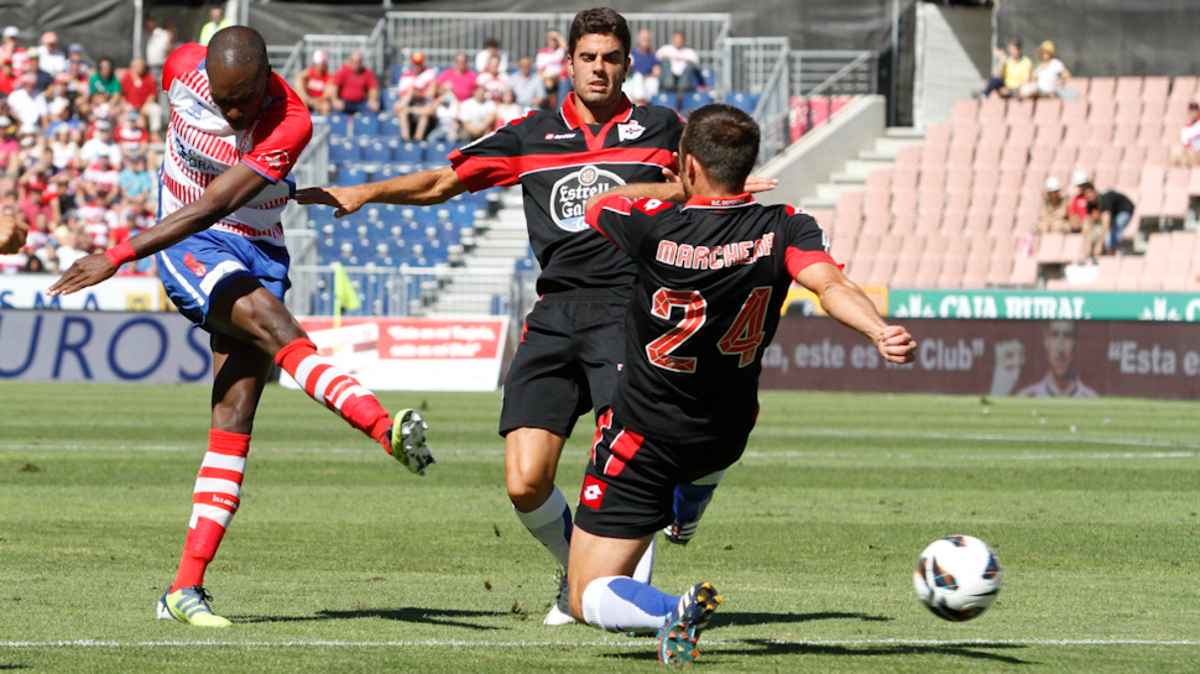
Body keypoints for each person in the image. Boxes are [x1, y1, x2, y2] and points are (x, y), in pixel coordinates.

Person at [297, 8, 776, 627]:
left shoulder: (663, 127)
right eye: (588, 57)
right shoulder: (529, 134)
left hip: (631, 311)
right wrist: (364, 193)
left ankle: (620, 595)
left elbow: (703, 183)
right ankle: (577, 574)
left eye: (610, 58)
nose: (599, 68)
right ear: (568, 62)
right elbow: (445, 181)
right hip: (553, 313)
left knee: (624, 463)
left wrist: (718, 194)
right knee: (525, 483)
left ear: (628, 64)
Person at [48, 26, 434, 628]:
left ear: (265, 80)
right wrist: (126, 253)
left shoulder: (292, 120)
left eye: (242, 101)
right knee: (274, 324)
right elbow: (198, 213)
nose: (231, 113)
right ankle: (383, 428)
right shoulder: (178, 70)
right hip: (191, 244)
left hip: (256, 245)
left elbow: (219, 200)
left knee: (233, 421)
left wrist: (115, 253)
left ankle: (183, 590)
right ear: (202, 71)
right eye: (222, 100)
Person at [568, 103, 917, 664]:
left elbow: (598, 204)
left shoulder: (656, 224)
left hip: (644, 433)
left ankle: (670, 610)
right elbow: (830, 285)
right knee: (710, 447)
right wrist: (878, 330)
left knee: (586, 593)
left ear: (688, 163)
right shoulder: (785, 227)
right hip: (724, 431)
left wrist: (678, 190)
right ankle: (693, 500)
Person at [1018, 320, 1097, 398]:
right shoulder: (1027, 398)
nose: (1060, 349)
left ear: (1075, 344)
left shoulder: (1091, 399)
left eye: (1067, 336)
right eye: (1054, 335)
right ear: (1046, 342)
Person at [393, 51, 437, 141]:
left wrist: (417, 93)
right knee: (400, 109)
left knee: (425, 113)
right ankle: (406, 140)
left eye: (419, 63)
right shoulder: (406, 76)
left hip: (424, 105)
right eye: (415, 63)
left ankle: (417, 140)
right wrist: (412, 92)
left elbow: (430, 94)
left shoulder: (429, 74)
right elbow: (402, 98)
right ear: (412, 63)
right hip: (410, 104)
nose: (417, 66)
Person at [1081, 182, 1135, 255]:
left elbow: (1106, 224)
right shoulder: (1090, 204)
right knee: (1094, 233)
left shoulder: (1104, 200)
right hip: (1114, 214)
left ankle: (1113, 253)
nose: (1088, 195)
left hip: (1125, 210)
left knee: (1114, 230)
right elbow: (1087, 223)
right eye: (1086, 194)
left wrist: (1099, 244)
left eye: (1090, 192)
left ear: (1094, 191)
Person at [332, 50, 380, 115]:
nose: (356, 64)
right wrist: (335, 100)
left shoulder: (367, 73)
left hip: (361, 102)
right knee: (336, 108)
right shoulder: (343, 71)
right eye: (354, 61)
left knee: (373, 108)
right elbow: (334, 87)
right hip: (345, 102)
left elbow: (373, 89)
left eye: (358, 62)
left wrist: (372, 100)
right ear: (350, 61)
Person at [656, 31, 701, 98]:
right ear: (673, 39)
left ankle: (681, 89)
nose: (678, 41)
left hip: (684, 79)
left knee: (689, 66)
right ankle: (669, 84)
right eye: (676, 39)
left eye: (680, 39)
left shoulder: (690, 52)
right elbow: (655, 60)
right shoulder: (665, 49)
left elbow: (696, 65)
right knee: (665, 62)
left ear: (683, 40)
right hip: (668, 77)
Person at [625, 28, 660, 105]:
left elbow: (657, 72)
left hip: (647, 83)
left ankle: (640, 105)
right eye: (643, 38)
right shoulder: (631, 55)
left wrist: (645, 77)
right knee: (637, 78)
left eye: (647, 39)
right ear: (638, 39)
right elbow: (626, 72)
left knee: (651, 82)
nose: (645, 41)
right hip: (632, 83)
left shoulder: (652, 56)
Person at [294, 50, 333, 115]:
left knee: (326, 106)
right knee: (302, 101)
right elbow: (298, 82)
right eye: (320, 64)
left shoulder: (328, 76)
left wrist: (317, 101)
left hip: (320, 101)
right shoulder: (308, 73)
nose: (321, 66)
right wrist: (308, 99)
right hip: (308, 99)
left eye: (323, 64)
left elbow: (327, 93)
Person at [1172, 101, 1200, 168]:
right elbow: (1186, 145)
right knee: (1177, 150)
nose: (1193, 113)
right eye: (1191, 111)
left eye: (1195, 111)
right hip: (1191, 153)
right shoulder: (1185, 130)